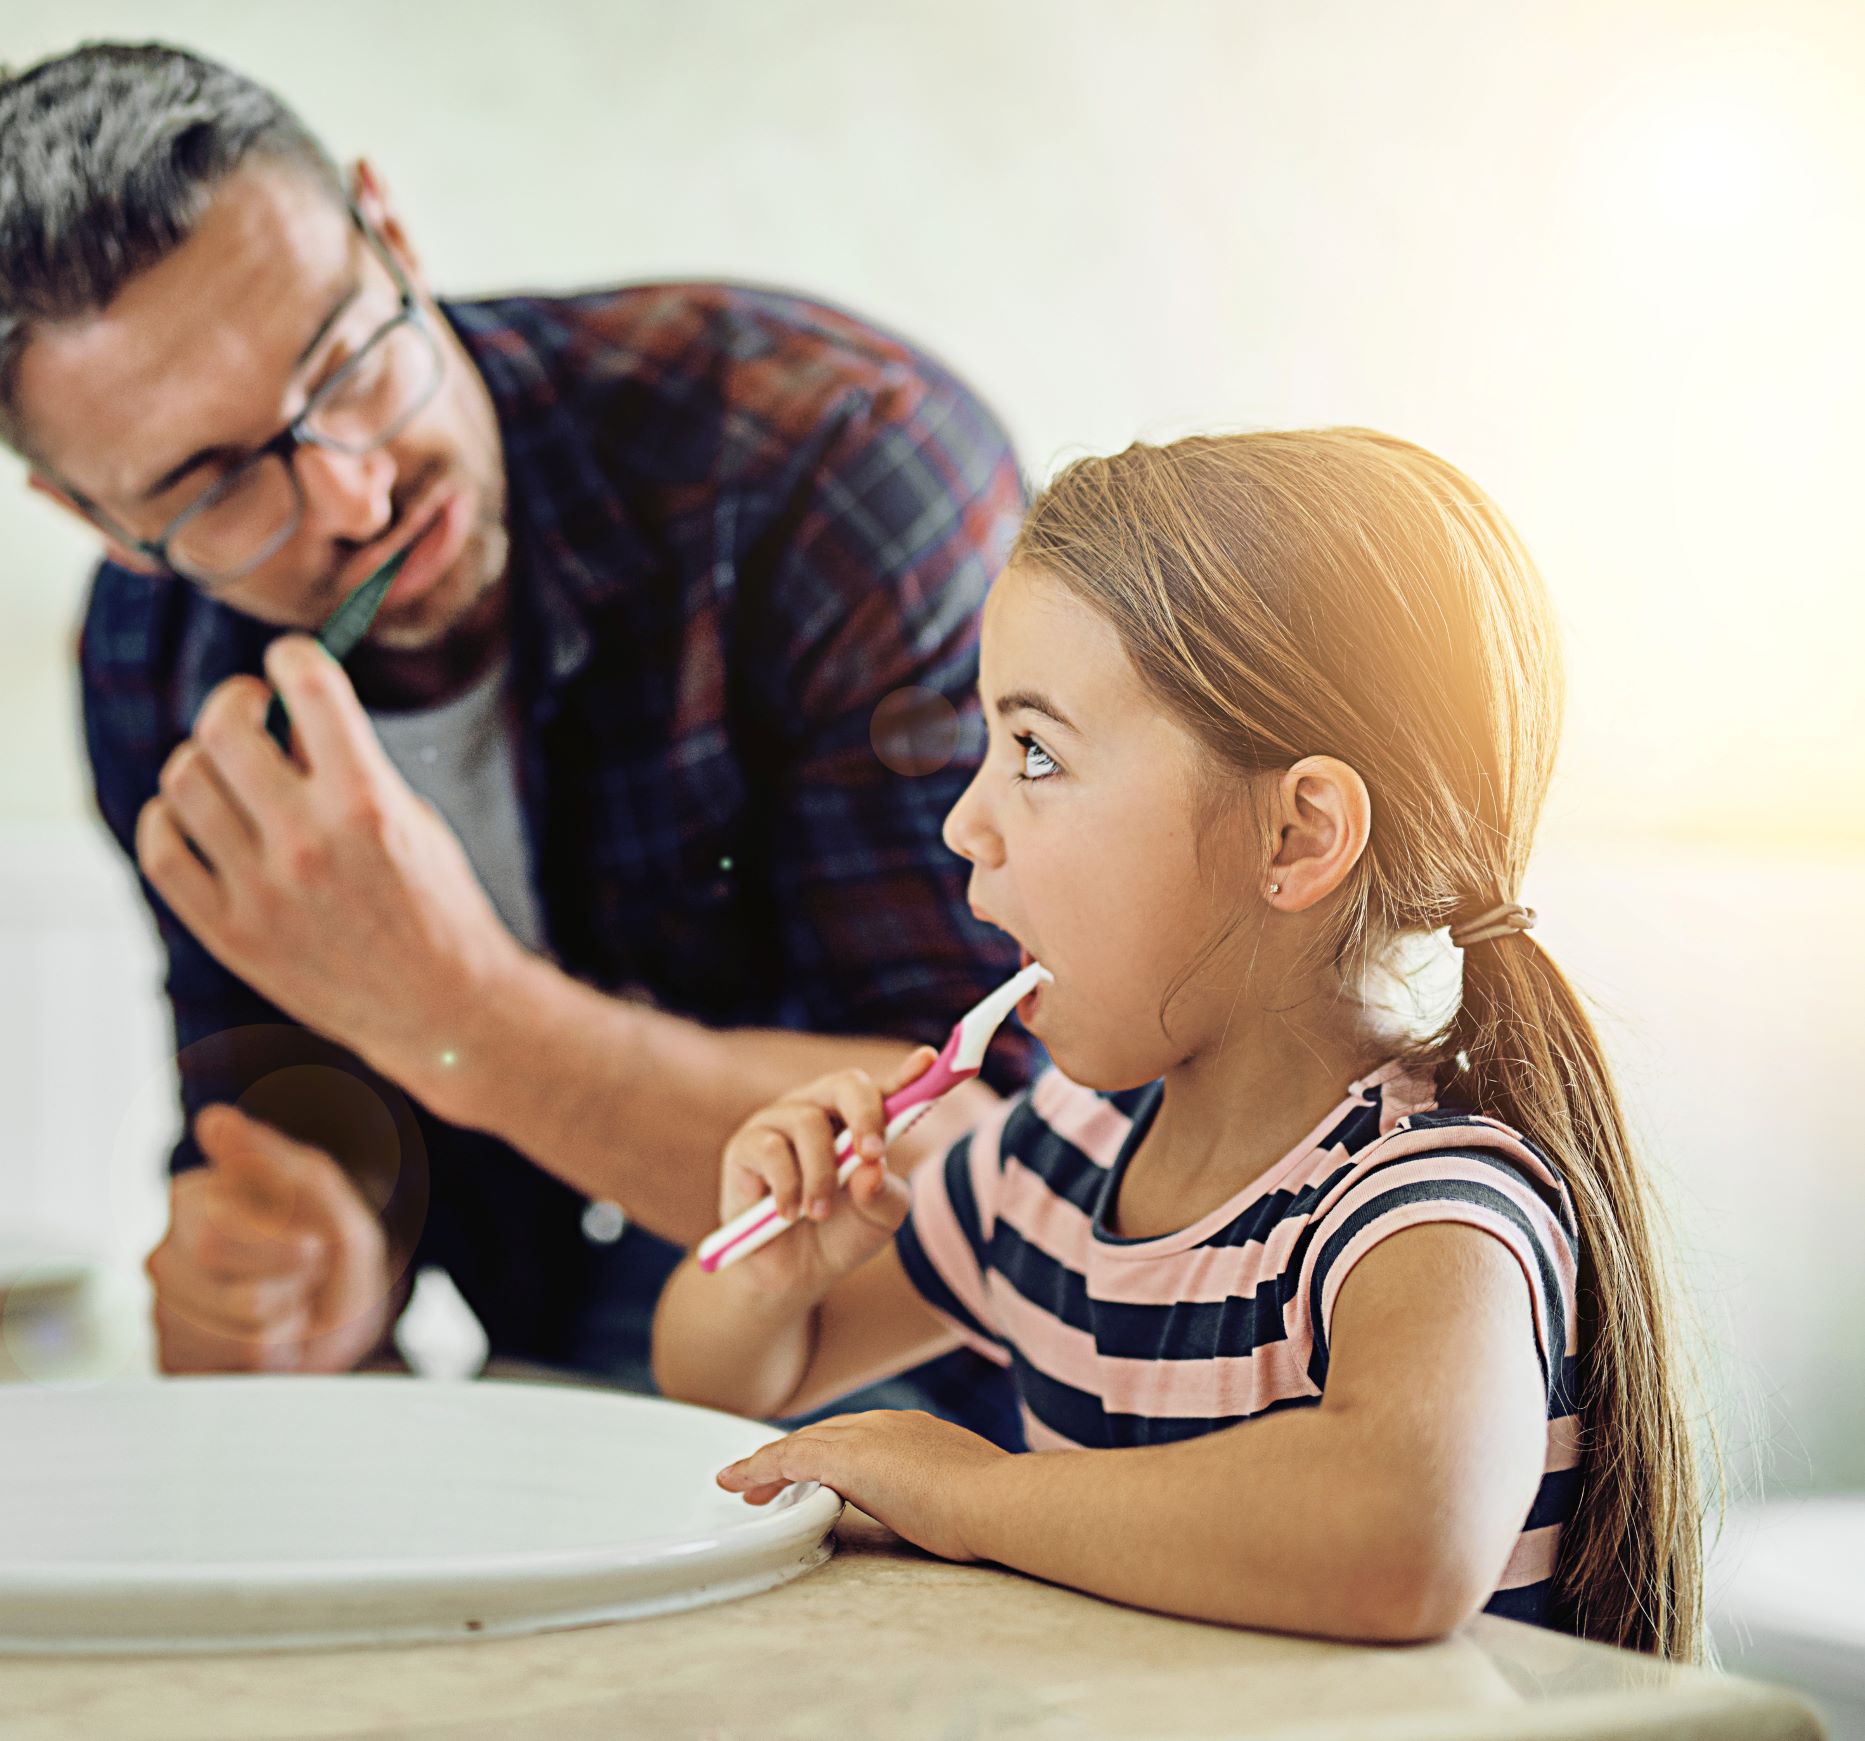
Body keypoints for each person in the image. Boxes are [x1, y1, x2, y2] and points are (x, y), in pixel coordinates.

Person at [0, 41, 1031, 1434]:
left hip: (1006, 1431)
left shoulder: (836, 463)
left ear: (392, 230)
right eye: (212, 482)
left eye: (346, 362)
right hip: (570, 1422)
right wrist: (310, 1261)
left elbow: (1013, 1170)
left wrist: (461, 1020)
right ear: (94, 521)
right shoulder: (153, 658)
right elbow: (295, 1115)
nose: (352, 490)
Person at [652, 429, 1705, 1654]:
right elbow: (723, 1384)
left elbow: (1399, 1538)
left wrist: (974, 1493)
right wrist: (777, 1273)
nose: (963, 820)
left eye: (1035, 750)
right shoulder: (1052, 1157)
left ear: (1294, 836)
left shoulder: (1421, 1206)